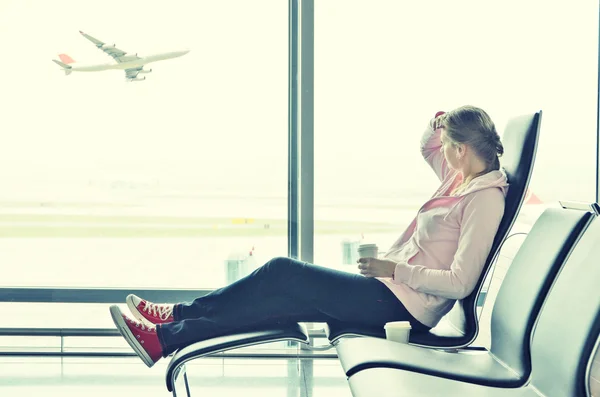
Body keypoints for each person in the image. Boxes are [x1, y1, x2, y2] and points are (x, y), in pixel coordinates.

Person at [109, 105, 508, 368]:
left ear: (462, 149)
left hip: (404, 308)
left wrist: (394, 268)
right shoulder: (459, 178)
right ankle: (165, 337)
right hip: (389, 292)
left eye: (450, 145)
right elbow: (428, 146)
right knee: (278, 299)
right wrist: (439, 122)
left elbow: (461, 282)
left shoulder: (483, 199)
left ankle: (176, 319)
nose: (443, 151)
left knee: (282, 272)